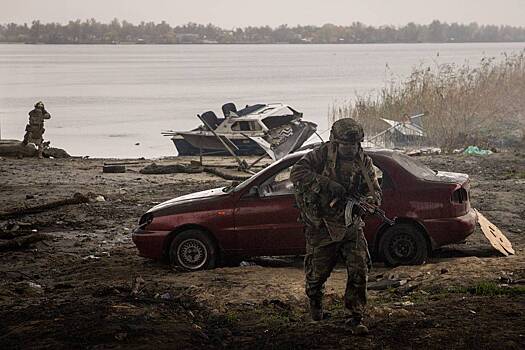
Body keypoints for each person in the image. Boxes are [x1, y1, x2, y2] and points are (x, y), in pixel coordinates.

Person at [290, 118, 381, 335]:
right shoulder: (320, 155)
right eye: (346, 145)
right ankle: (316, 304)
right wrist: (327, 184)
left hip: (350, 226)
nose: (351, 149)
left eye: (355, 144)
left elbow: (375, 191)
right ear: (335, 142)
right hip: (321, 225)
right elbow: (297, 173)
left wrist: (369, 202)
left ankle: (355, 316)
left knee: (359, 270)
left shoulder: (364, 161)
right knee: (317, 276)